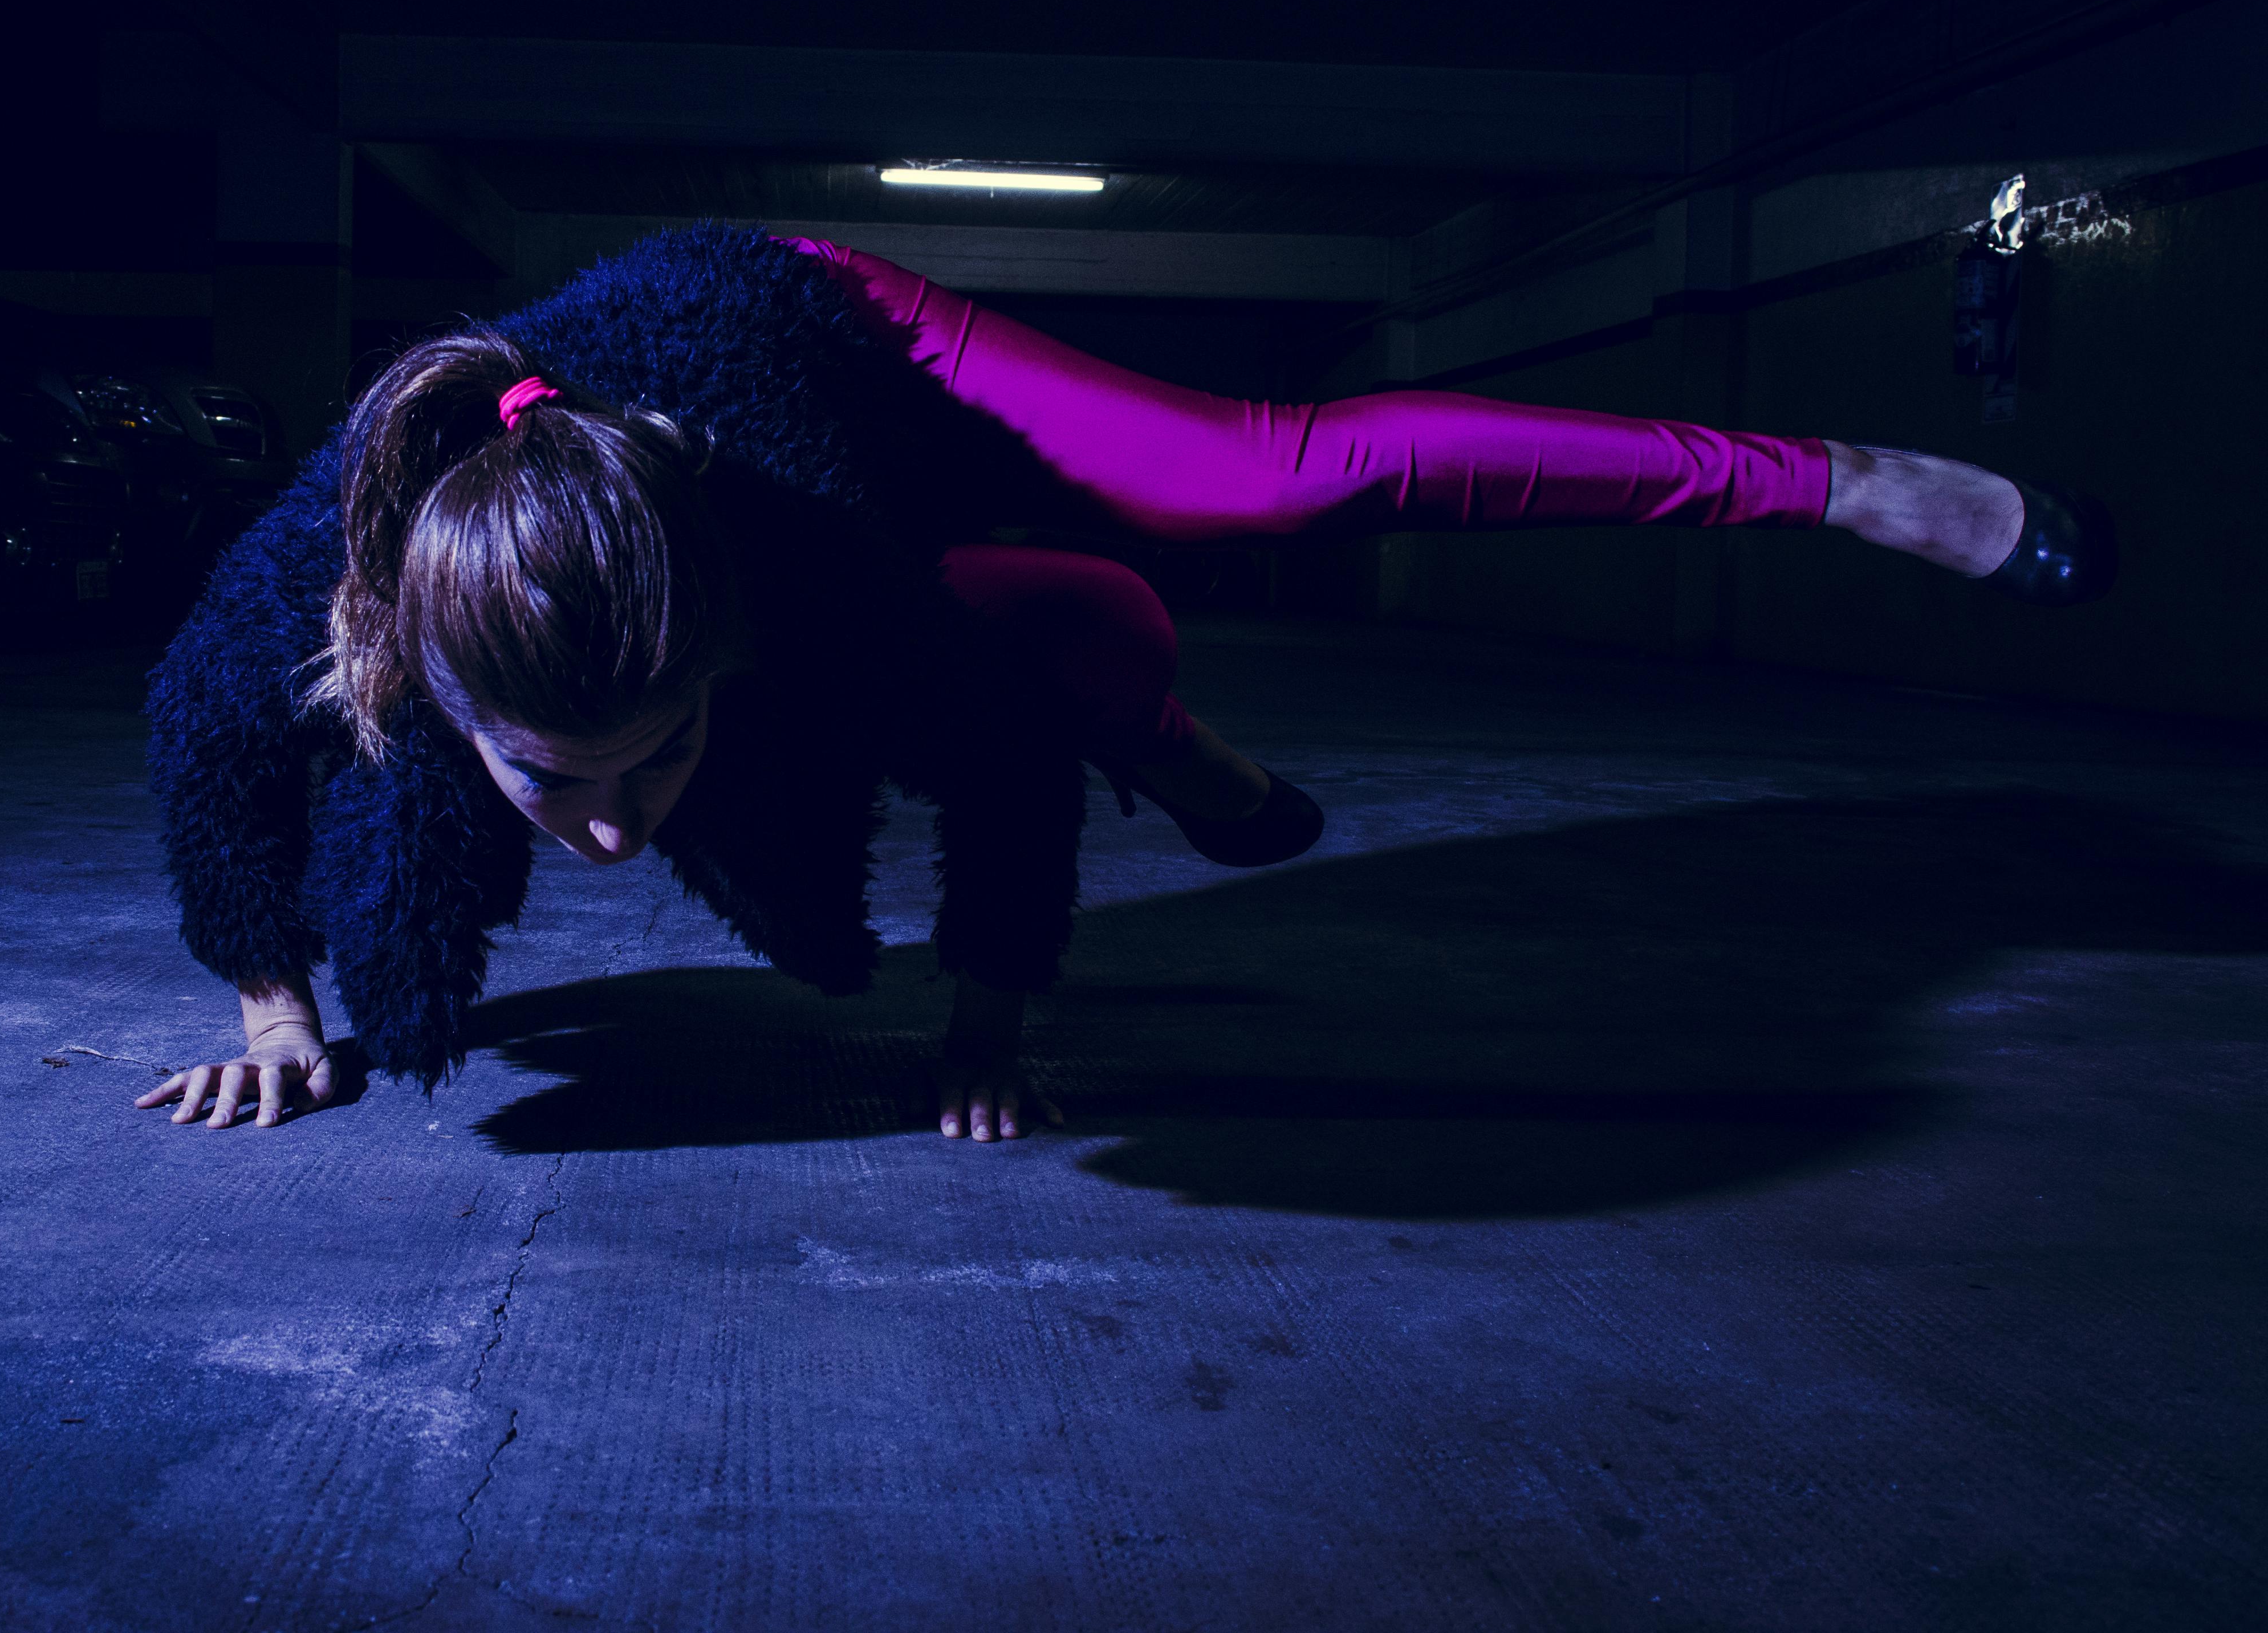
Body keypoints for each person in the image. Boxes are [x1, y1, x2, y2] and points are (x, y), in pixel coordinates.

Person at [140, 224, 2112, 1145]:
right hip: (660, 502)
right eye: (546, 778)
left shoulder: (819, 589)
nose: (597, 837)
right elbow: (200, 743)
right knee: (1039, 642)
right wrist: (272, 993)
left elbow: (990, 777)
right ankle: (1160, 732)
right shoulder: (314, 595)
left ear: (726, 663)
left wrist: (983, 1022)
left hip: (835, 349)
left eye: (652, 767)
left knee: (1257, 485)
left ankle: (1841, 487)